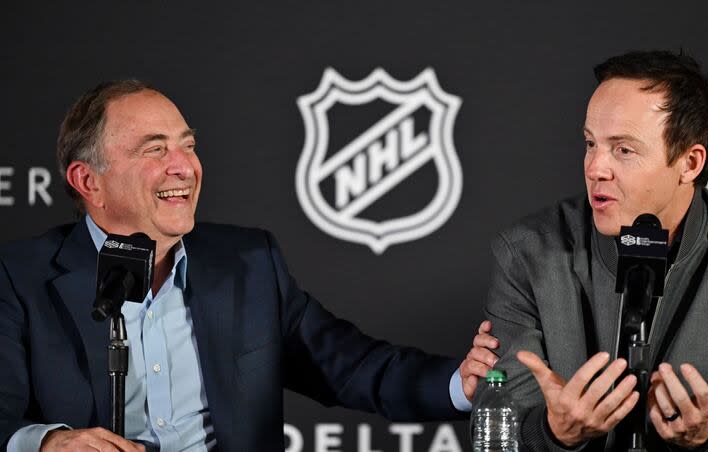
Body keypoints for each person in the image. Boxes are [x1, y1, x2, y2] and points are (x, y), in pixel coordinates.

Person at [0, 80, 495, 451]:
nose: (183, 166)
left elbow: (350, 367)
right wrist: (46, 443)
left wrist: (458, 383)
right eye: (155, 149)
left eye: (188, 145)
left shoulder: (247, 263)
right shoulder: (19, 278)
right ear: (88, 181)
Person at [476, 50, 708, 451]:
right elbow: (500, 434)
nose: (595, 167)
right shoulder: (526, 250)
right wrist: (552, 433)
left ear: (690, 162)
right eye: (590, 144)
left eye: (623, 149)